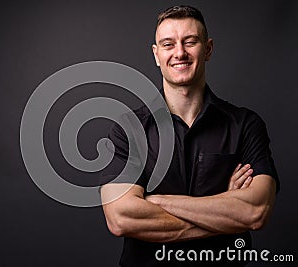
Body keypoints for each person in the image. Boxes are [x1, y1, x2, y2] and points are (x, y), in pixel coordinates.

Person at [100, 5, 279, 267]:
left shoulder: (245, 125)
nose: (179, 53)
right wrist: (227, 214)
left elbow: (255, 211)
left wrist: (156, 201)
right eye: (168, 44)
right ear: (156, 54)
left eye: (190, 42)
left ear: (208, 49)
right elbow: (121, 218)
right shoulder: (128, 129)